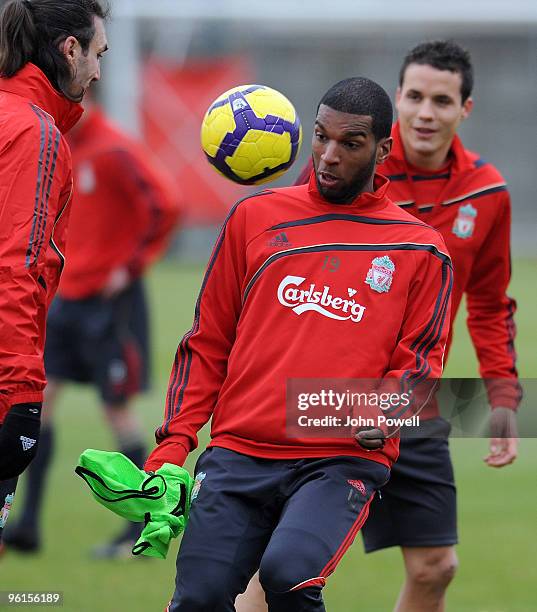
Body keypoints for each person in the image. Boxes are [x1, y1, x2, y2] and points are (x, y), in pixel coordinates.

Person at [144, 76, 453, 611]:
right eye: (320, 137)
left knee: (289, 575)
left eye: (350, 144)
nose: (328, 156)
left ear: (382, 150)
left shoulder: (419, 248)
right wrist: (174, 444)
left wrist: (389, 408)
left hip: (338, 458)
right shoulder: (254, 218)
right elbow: (207, 342)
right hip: (238, 452)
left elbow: (421, 362)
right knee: (199, 599)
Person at [242, 40, 520, 612]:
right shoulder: (346, 166)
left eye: (441, 101)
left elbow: (491, 304)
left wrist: (502, 394)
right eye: (414, 96)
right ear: (397, 100)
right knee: (277, 570)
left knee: (436, 567)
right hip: (324, 394)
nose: (425, 112)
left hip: (409, 401)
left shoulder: (487, 192)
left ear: (464, 109)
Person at [2, 93, 182, 556]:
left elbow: (167, 206)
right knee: (38, 403)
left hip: (109, 304)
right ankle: (26, 525)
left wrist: (130, 265)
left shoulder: (114, 148)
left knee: (115, 410)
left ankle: (142, 524)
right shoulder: (52, 141)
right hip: (66, 301)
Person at [0, 0, 108, 541]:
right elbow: (15, 266)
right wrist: (21, 391)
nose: (97, 72)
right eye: (96, 54)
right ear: (70, 50)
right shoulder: (35, 132)